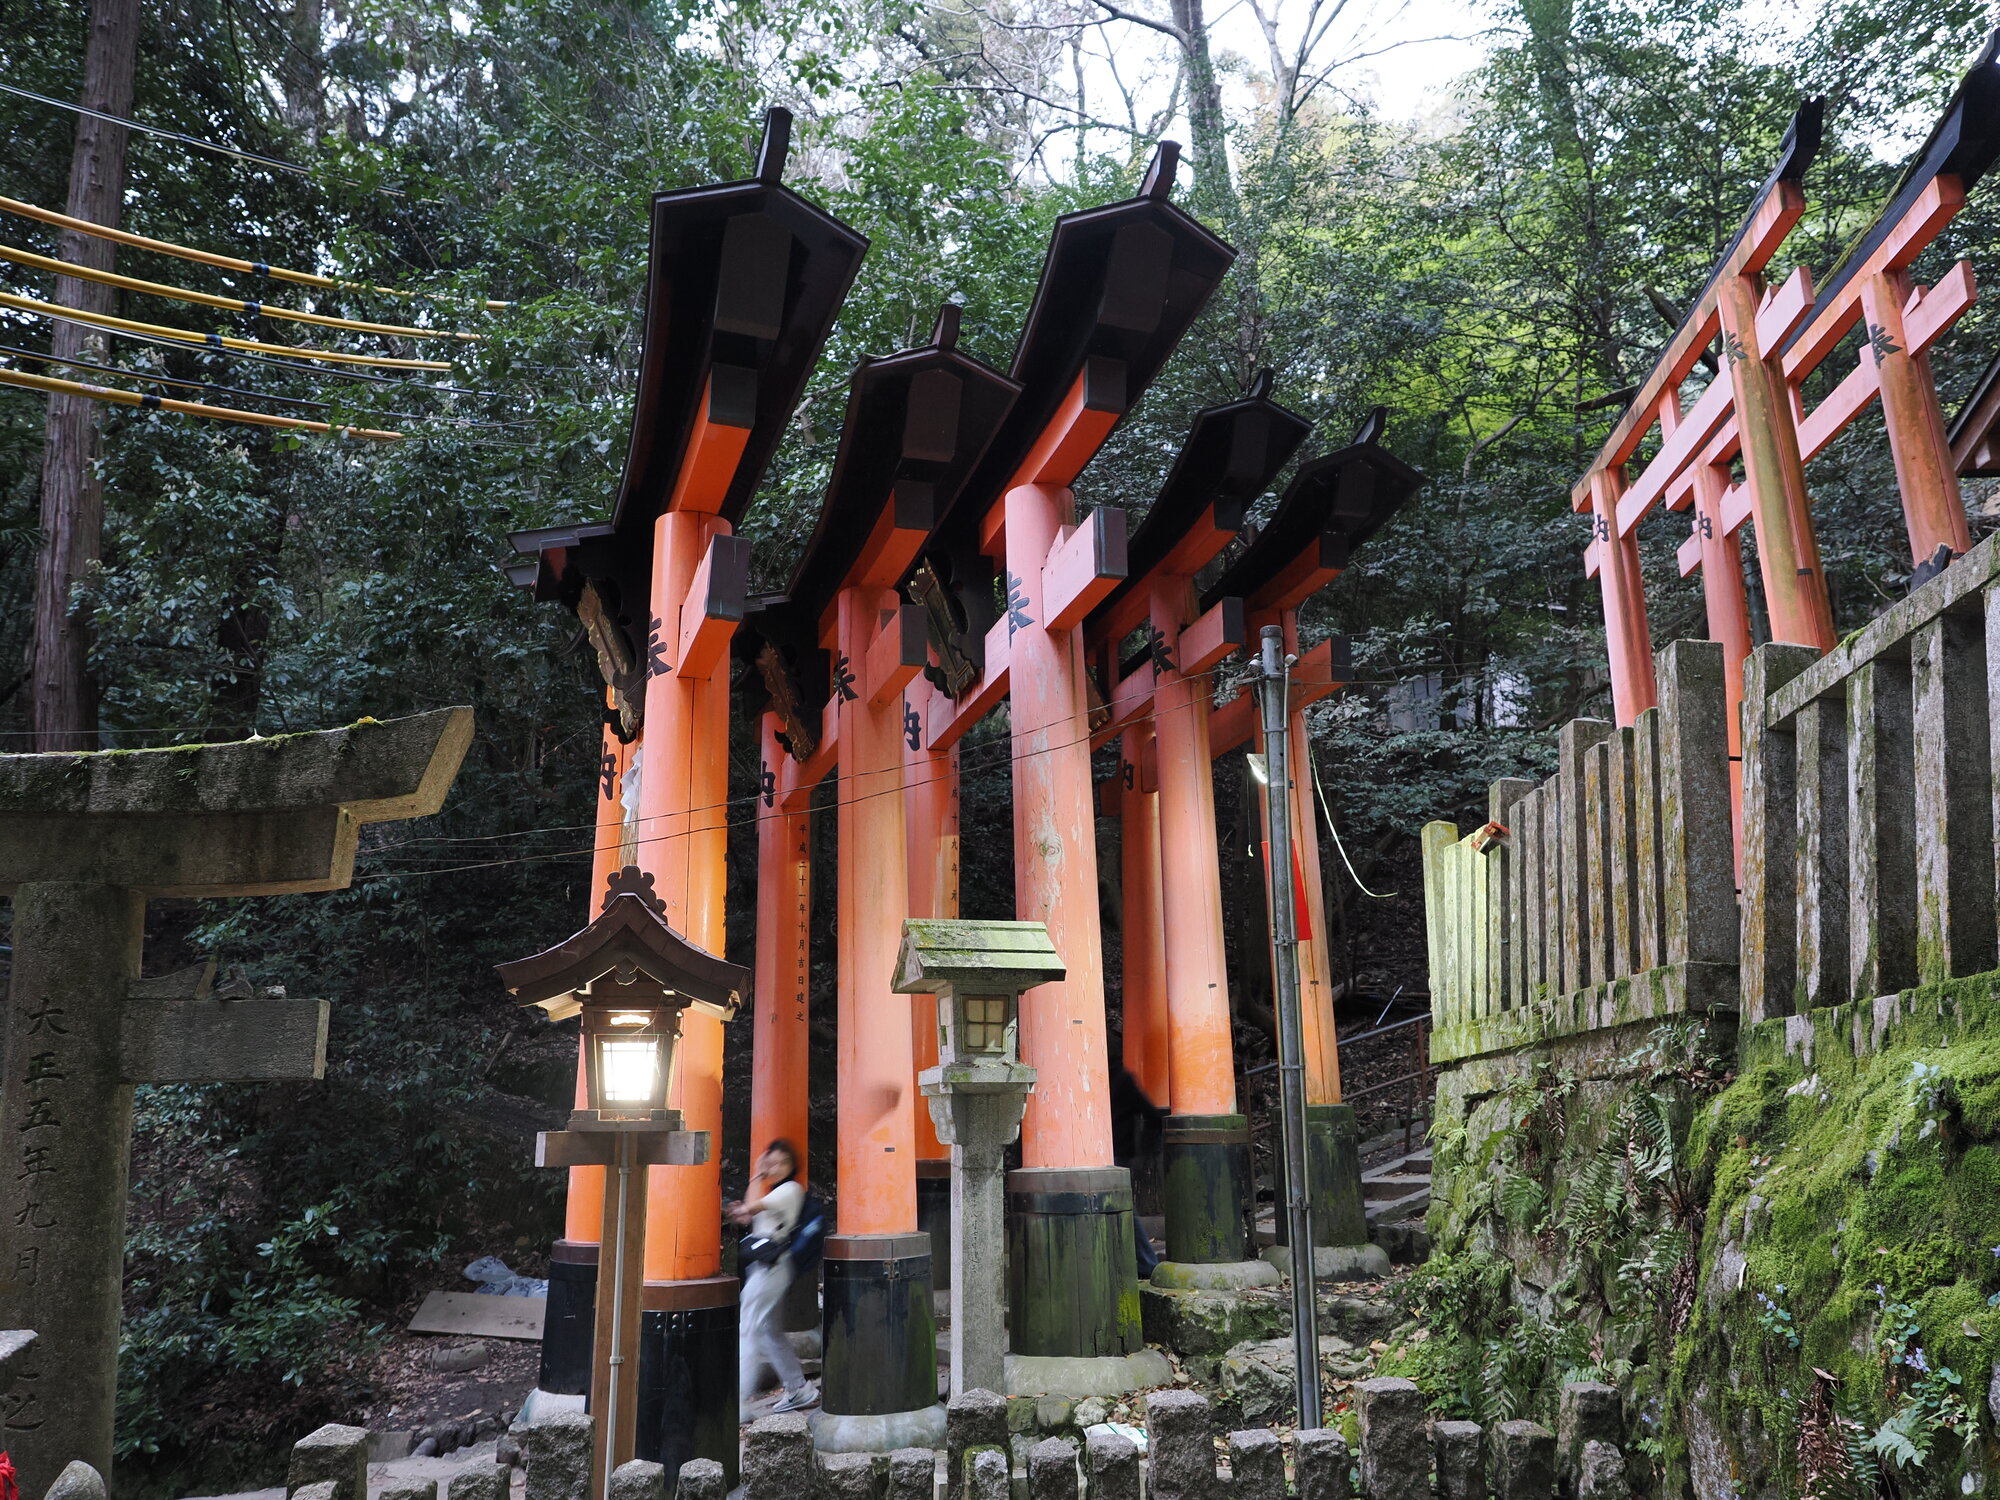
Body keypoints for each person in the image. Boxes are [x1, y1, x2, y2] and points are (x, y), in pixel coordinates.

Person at [725, 1139, 818, 1415]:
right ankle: (799, 1388)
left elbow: (750, 1208)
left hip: (772, 1268)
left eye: (782, 1162)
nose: (775, 1167)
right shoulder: (775, 1191)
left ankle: (739, 1403)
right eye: (772, 1161)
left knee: (748, 1328)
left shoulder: (789, 1190)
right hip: (767, 1265)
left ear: (792, 1166)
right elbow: (750, 1216)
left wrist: (757, 1173)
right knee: (768, 1332)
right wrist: (758, 1172)